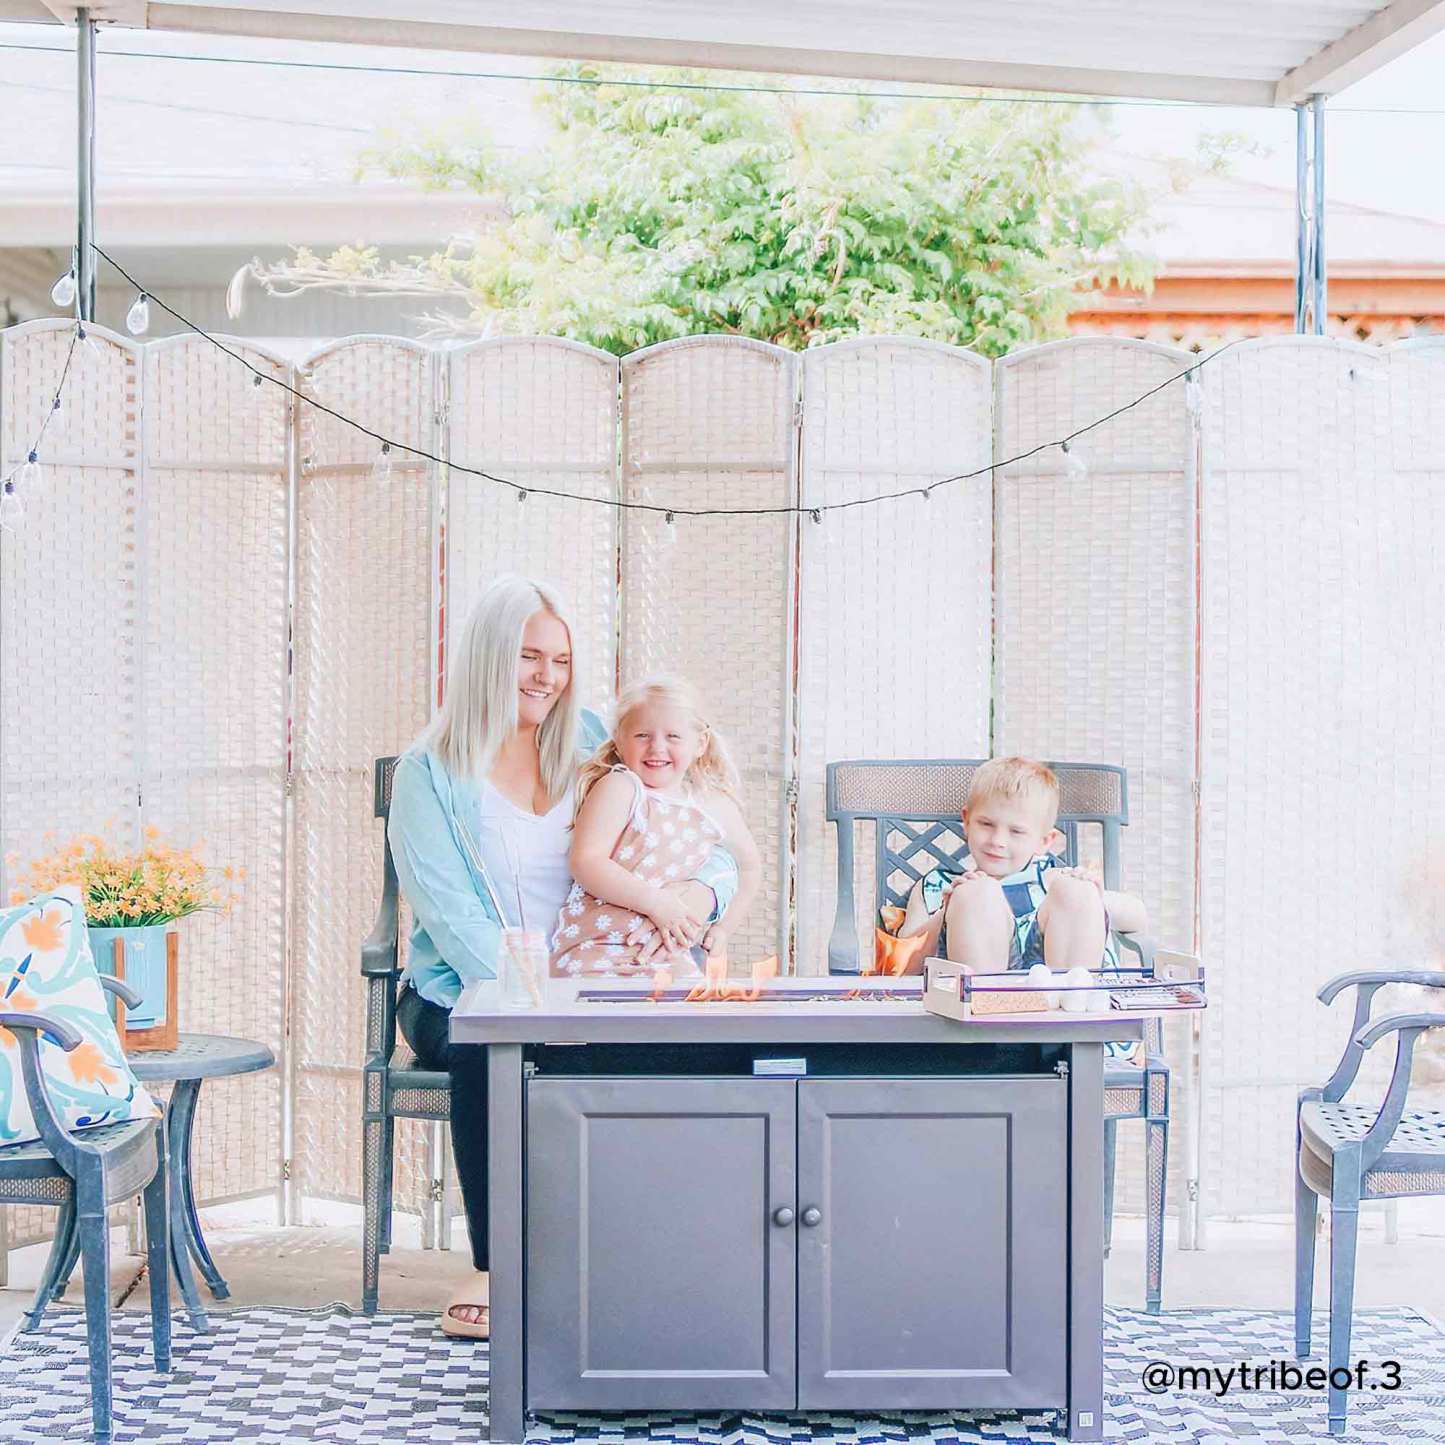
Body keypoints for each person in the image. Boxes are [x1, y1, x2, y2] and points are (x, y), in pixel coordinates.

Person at [386, 577, 737, 1339]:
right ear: (487, 656)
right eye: (528, 656)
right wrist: (536, 998)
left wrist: (689, 898)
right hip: (467, 987)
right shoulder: (429, 769)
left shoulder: (594, 740)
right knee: (491, 1045)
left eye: (561, 659)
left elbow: (701, 838)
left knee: (703, 1043)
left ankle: (647, 1254)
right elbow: (450, 914)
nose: (546, 675)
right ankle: (498, 1266)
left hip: (596, 979)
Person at [551, 677, 762, 978]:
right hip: (597, 948)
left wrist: (724, 929)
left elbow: (750, 867)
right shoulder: (620, 787)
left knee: (694, 1004)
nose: (657, 747)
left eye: (673, 736)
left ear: (700, 743)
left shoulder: (714, 805)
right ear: (619, 740)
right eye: (642, 735)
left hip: (668, 957)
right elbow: (586, 861)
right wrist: (656, 903)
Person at [898, 755, 1147, 972]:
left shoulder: (1052, 881)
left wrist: (1095, 897)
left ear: (1044, 841)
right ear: (967, 821)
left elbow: (1138, 917)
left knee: (1076, 891)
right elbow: (902, 967)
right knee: (975, 893)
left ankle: (1073, 1002)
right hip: (976, 997)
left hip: (1055, 993)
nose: (998, 841)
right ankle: (987, 1004)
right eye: (986, 824)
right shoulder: (935, 887)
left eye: (1016, 831)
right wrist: (946, 914)